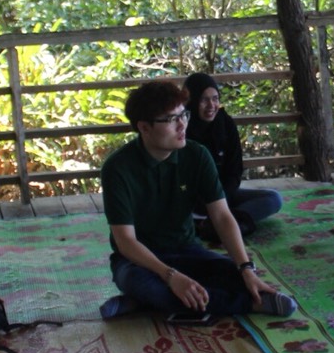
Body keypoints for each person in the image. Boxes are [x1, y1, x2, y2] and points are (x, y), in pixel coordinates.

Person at [99, 79, 296, 319]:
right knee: (143, 283)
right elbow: (126, 242)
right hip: (139, 261)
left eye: (184, 115)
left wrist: (246, 269)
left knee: (233, 274)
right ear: (144, 127)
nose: (182, 125)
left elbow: (222, 216)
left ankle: (142, 303)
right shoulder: (118, 168)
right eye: (171, 119)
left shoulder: (196, 155)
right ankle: (250, 304)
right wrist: (170, 276)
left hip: (187, 250)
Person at [184, 72, 283, 240]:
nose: (211, 105)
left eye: (215, 99)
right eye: (204, 100)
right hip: (191, 200)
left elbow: (234, 169)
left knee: (273, 199)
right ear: (192, 101)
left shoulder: (225, 123)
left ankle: (215, 225)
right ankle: (226, 224)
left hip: (223, 194)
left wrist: (222, 198)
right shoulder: (182, 127)